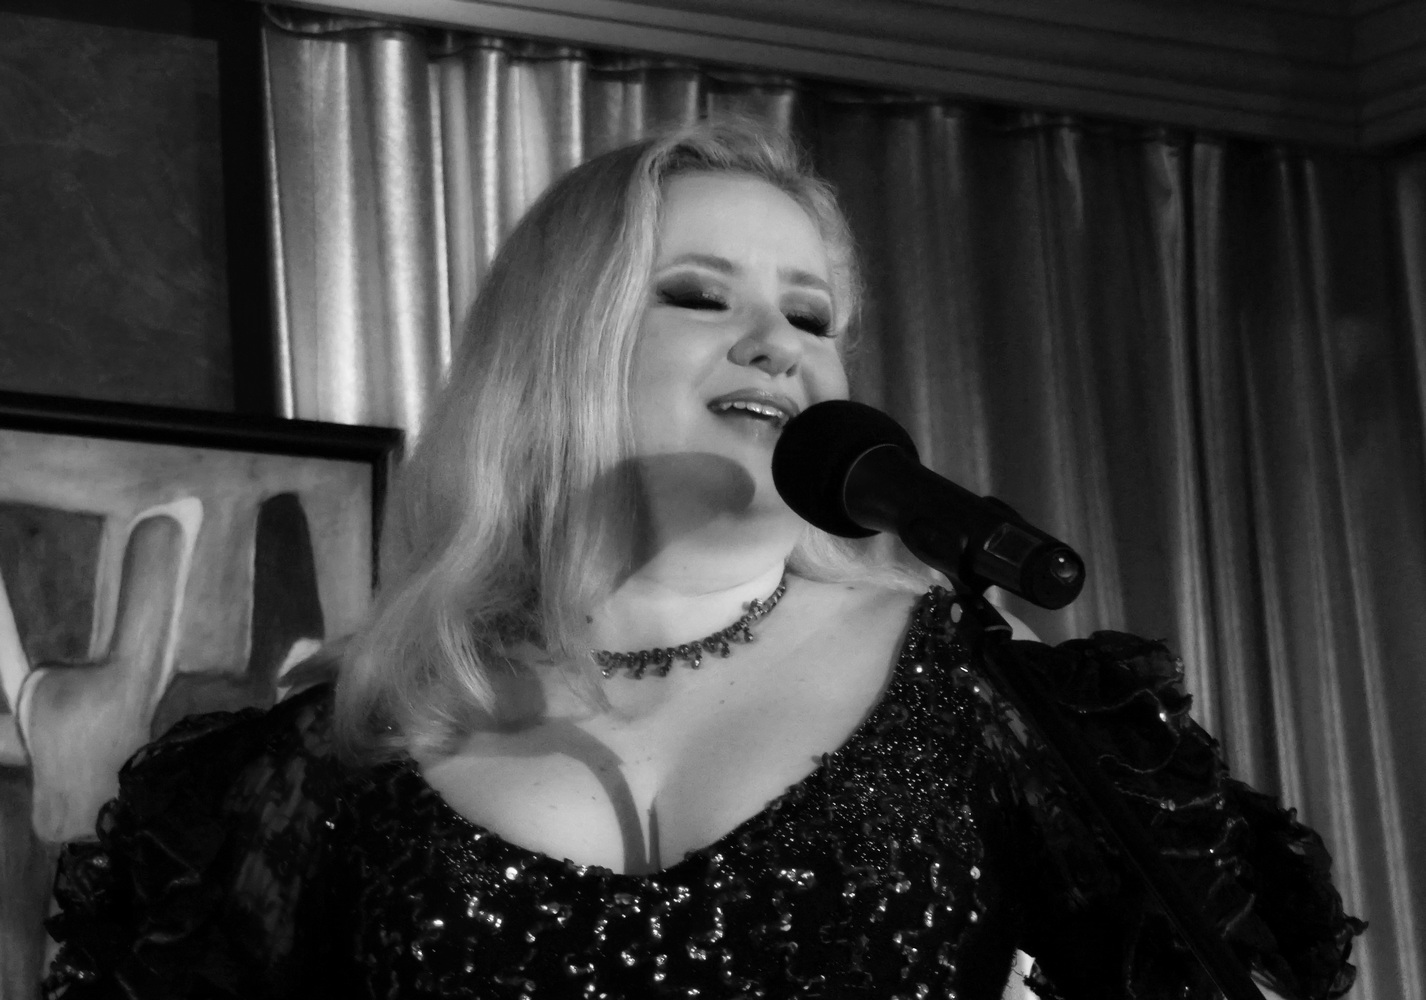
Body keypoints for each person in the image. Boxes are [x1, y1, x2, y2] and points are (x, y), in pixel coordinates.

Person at [42, 116, 1363, 1000]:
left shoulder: (980, 690)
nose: (777, 344)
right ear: (554, 350)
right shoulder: (344, 748)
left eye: (811, 315)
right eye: (696, 294)